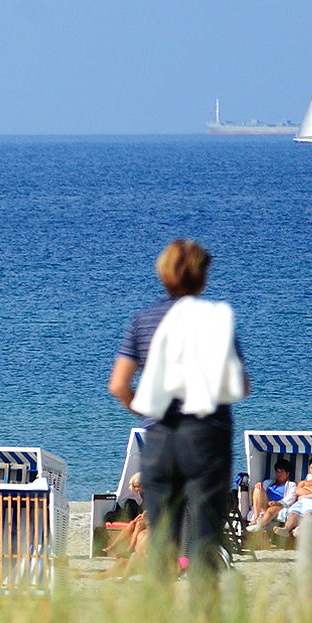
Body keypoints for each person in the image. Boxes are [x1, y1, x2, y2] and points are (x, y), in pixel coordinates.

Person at [107, 239, 248, 583]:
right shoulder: (216, 319)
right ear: (202, 278)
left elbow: (119, 385)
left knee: (162, 543)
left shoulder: (143, 321)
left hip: (161, 438)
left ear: (163, 275)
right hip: (206, 437)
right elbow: (241, 385)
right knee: (203, 541)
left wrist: (149, 414)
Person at [275, 456, 312, 538]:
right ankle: (286, 529)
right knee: (293, 513)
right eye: (311, 468)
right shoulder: (303, 482)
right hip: (301, 501)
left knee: (309, 513)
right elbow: (298, 491)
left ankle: (299, 529)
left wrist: (305, 489)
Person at [247, 458, 297, 532]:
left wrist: (277, 503)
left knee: (270, 511)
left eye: (282, 472)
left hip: (278, 505)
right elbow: (259, 494)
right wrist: (258, 485)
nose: (279, 474)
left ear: (287, 473)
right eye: (277, 472)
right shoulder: (268, 482)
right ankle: (256, 518)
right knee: (258, 488)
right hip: (266, 503)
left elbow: (291, 498)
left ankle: (260, 526)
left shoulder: (291, 485)